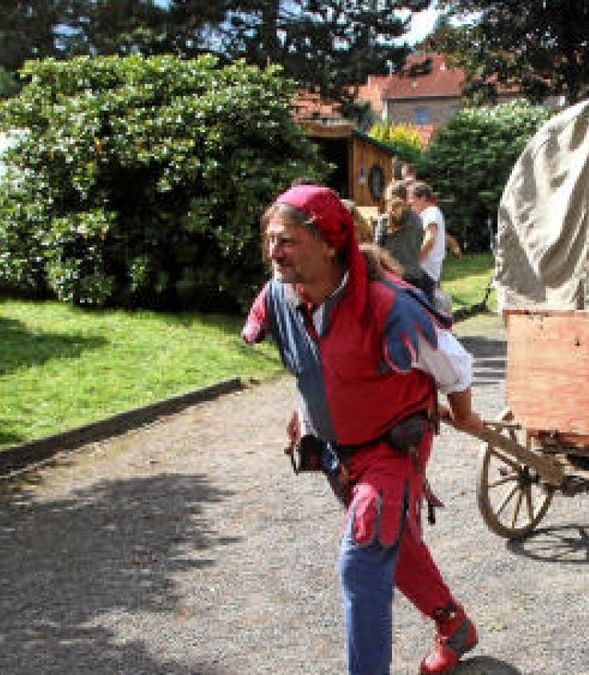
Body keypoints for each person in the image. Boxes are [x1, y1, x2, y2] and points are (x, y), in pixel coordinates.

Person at [241, 184, 485, 675]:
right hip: (337, 451)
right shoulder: (278, 297)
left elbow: (454, 365)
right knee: (392, 543)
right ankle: (454, 626)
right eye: (271, 239)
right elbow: (314, 361)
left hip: (394, 448)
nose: (274, 251)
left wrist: (462, 413)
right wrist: (306, 408)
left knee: (363, 557)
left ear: (329, 243)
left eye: (287, 240)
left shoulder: (390, 306)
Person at [374, 182, 436, 298]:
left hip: (393, 279)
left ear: (389, 198)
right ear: (406, 197)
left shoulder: (384, 220)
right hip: (415, 278)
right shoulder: (418, 218)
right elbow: (418, 245)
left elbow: (376, 252)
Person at [408, 181, 447, 284]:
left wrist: (414, 262)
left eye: (411, 198)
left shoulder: (431, 213)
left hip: (425, 271)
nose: (409, 202)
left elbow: (429, 241)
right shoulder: (426, 213)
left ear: (423, 198)